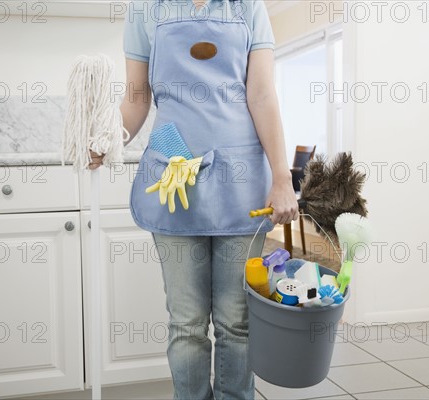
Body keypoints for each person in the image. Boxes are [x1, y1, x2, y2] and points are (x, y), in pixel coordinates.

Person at [90, 0, 298, 398]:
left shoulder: (248, 7)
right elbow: (136, 98)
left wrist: (282, 177)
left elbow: (261, 95)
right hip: (175, 180)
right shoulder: (146, 9)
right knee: (186, 323)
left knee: (236, 321)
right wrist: (109, 137)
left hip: (242, 187)